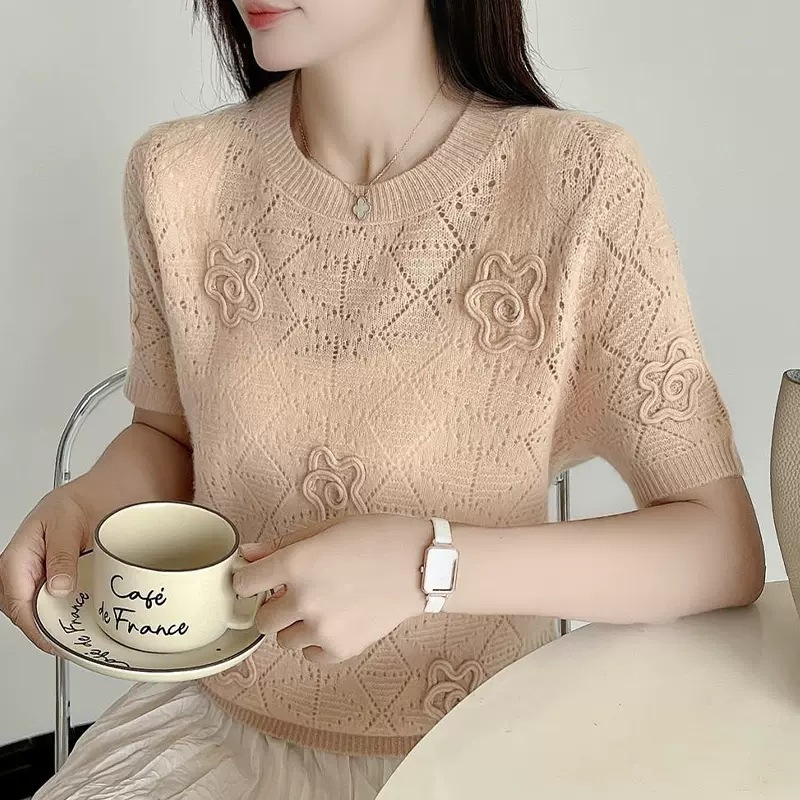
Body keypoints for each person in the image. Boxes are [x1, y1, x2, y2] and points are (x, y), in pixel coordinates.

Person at [0, 1, 765, 798]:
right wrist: (85, 501)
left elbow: (719, 549)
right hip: (218, 737)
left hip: (486, 751)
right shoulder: (174, 174)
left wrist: (427, 566)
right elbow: (170, 436)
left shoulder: (580, 178)